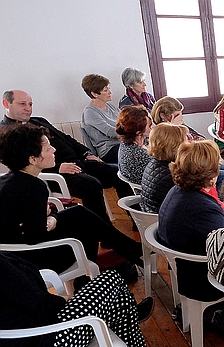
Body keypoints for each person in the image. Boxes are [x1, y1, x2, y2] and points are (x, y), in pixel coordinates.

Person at [0, 251, 170, 347]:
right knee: (112, 279)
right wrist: (62, 300)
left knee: (119, 301)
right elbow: (37, 302)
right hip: (45, 346)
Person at [0, 123, 144, 274]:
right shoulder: (33, 186)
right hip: (30, 258)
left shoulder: (8, 180)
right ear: (33, 159)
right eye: (48, 148)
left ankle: (131, 250)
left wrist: (51, 217)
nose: (54, 149)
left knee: (78, 213)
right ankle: (90, 274)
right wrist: (50, 219)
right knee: (86, 227)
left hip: (12, 254)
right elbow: (36, 236)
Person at [1, 90, 132, 222]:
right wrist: (58, 167)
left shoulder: (39, 121)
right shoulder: (6, 132)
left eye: (30, 104)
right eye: (22, 104)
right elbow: (21, 165)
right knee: (91, 185)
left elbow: (66, 138)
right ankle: (103, 231)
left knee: (120, 174)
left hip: (78, 162)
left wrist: (86, 153)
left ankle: (138, 219)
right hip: (55, 173)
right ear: (6, 103)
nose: (28, 108)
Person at [157, 140, 224, 302]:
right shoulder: (203, 209)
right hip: (203, 281)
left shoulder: (177, 191)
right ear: (209, 173)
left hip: (185, 268)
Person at [140, 123, 188, 213]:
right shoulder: (172, 175)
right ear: (175, 145)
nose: (188, 144)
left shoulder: (154, 163)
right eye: (185, 140)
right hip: (166, 219)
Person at [81, 74, 122, 163]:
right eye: (105, 90)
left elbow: (126, 122)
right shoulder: (90, 112)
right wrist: (133, 132)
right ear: (94, 94)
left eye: (108, 89)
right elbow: (112, 132)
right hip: (109, 151)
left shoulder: (111, 107)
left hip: (123, 145)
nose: (110, 92)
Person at [117, 105, 152, 185]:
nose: (153, 127)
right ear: (138, 132)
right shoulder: (138, 154)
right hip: (150, 190)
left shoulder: (128, 143)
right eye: (150, 126)